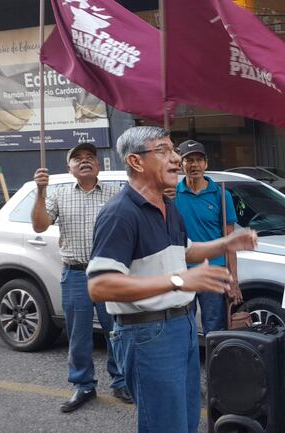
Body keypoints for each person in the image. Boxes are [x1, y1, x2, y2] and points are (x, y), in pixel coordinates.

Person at [86, 126, 258, 433]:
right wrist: (179, 281)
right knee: (165, 425)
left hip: (183, 326)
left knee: (186, 420)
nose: (176, 159)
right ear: (136, 162)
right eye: (164, 151)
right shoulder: (120, 214)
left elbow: (187, 252)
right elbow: (100, 285)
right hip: (148, 333)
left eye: (174, 150)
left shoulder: (168, 208)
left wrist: (225, 244)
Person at [30, 141, 131, 412]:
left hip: (110, 273)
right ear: (70, 168)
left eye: (90, 157)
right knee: (78, 334)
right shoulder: (57, 194)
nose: (85, 160)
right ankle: (83, 385)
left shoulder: (117, 192)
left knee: (117, 331)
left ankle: (121, 381)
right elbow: (39, 224)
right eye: (78, 158)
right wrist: (40, 191)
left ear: (98, 165)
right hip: (75, 274)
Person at [174, 139, 241, 333]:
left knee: (215, 327)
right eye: (189, 160)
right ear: (181, 164)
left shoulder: (221, 195)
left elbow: (230, 242)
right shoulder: (171, 195)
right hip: (182, 270)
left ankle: (215, 364)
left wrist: (233, 280)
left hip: (214, 271)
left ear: (206, 163)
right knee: (182, 327)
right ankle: (189, 364)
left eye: (199, 160)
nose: (194, 165)